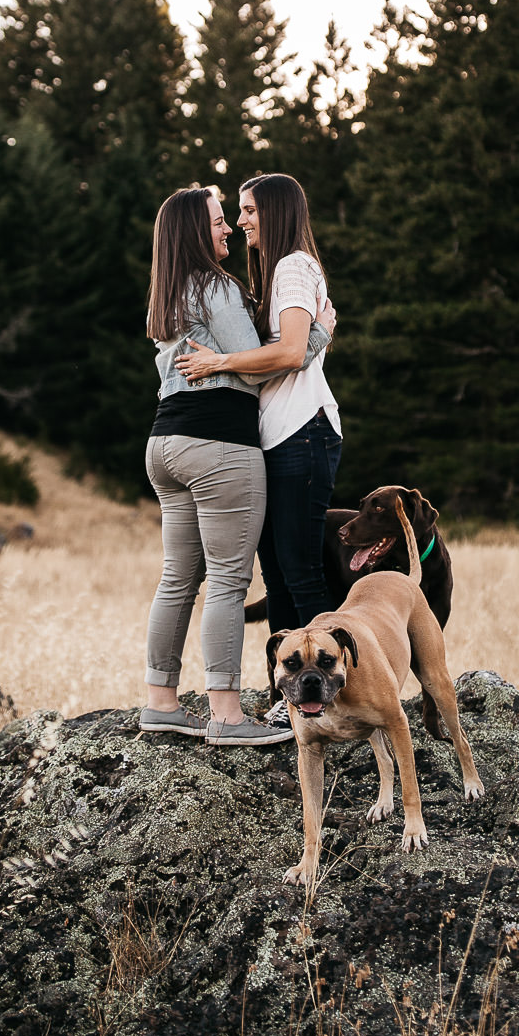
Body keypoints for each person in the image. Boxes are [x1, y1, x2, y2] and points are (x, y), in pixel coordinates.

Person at [141, 185, 335, 747]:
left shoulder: (168, 294)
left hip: (165, 444)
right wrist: (320, 333)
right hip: (218, 444)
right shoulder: (218, 287)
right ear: (193, 232)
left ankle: (162, 704)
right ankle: (227, 715)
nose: (227, 228)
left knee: (177, 579)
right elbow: (261, 367)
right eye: (218, 221)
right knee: (228, 580)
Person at [175, 172, 342, 643]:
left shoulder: (292, 267)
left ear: (276, 211)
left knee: (301, 572)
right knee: (280, 576)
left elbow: (290, 351)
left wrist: (218, 362)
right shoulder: (274, 272)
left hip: (302, 430)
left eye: (249, 210)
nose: (241, 221)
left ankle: (330, 679)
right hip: (280, 435)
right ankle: (286, 683)